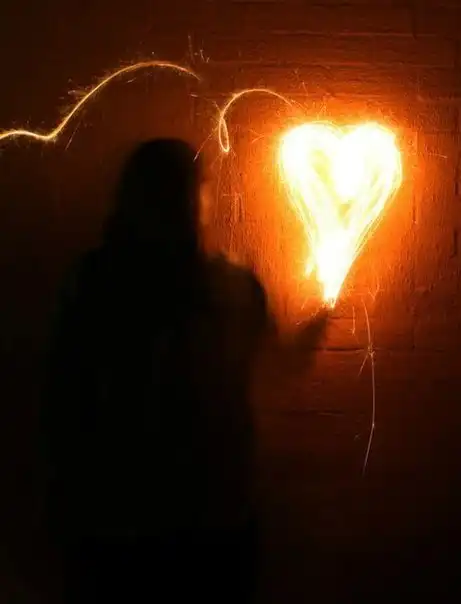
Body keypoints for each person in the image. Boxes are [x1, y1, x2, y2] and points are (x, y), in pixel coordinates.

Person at [41, 138, 327, 603]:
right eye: (196, 190)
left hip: (134, 522)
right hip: (190, 523)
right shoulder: (227, 286)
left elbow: (59, 400)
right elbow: (279, 367)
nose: (203, 202)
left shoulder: (93, 282)